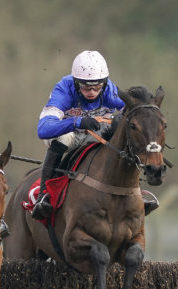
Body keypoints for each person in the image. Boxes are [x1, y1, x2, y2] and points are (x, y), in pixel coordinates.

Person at [32, 50, 158, 219]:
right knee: (61, 139)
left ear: (104, 84)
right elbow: (44, 129)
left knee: (124, 130)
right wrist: (77, 122)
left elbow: (135, 114)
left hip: (98, 132)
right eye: (85, 87)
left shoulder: (110, 91)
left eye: (97, 87)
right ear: (76, 83)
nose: (91, 92)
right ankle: (44, 196)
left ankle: (135, 193)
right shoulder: (64, 89)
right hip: (69, 134)